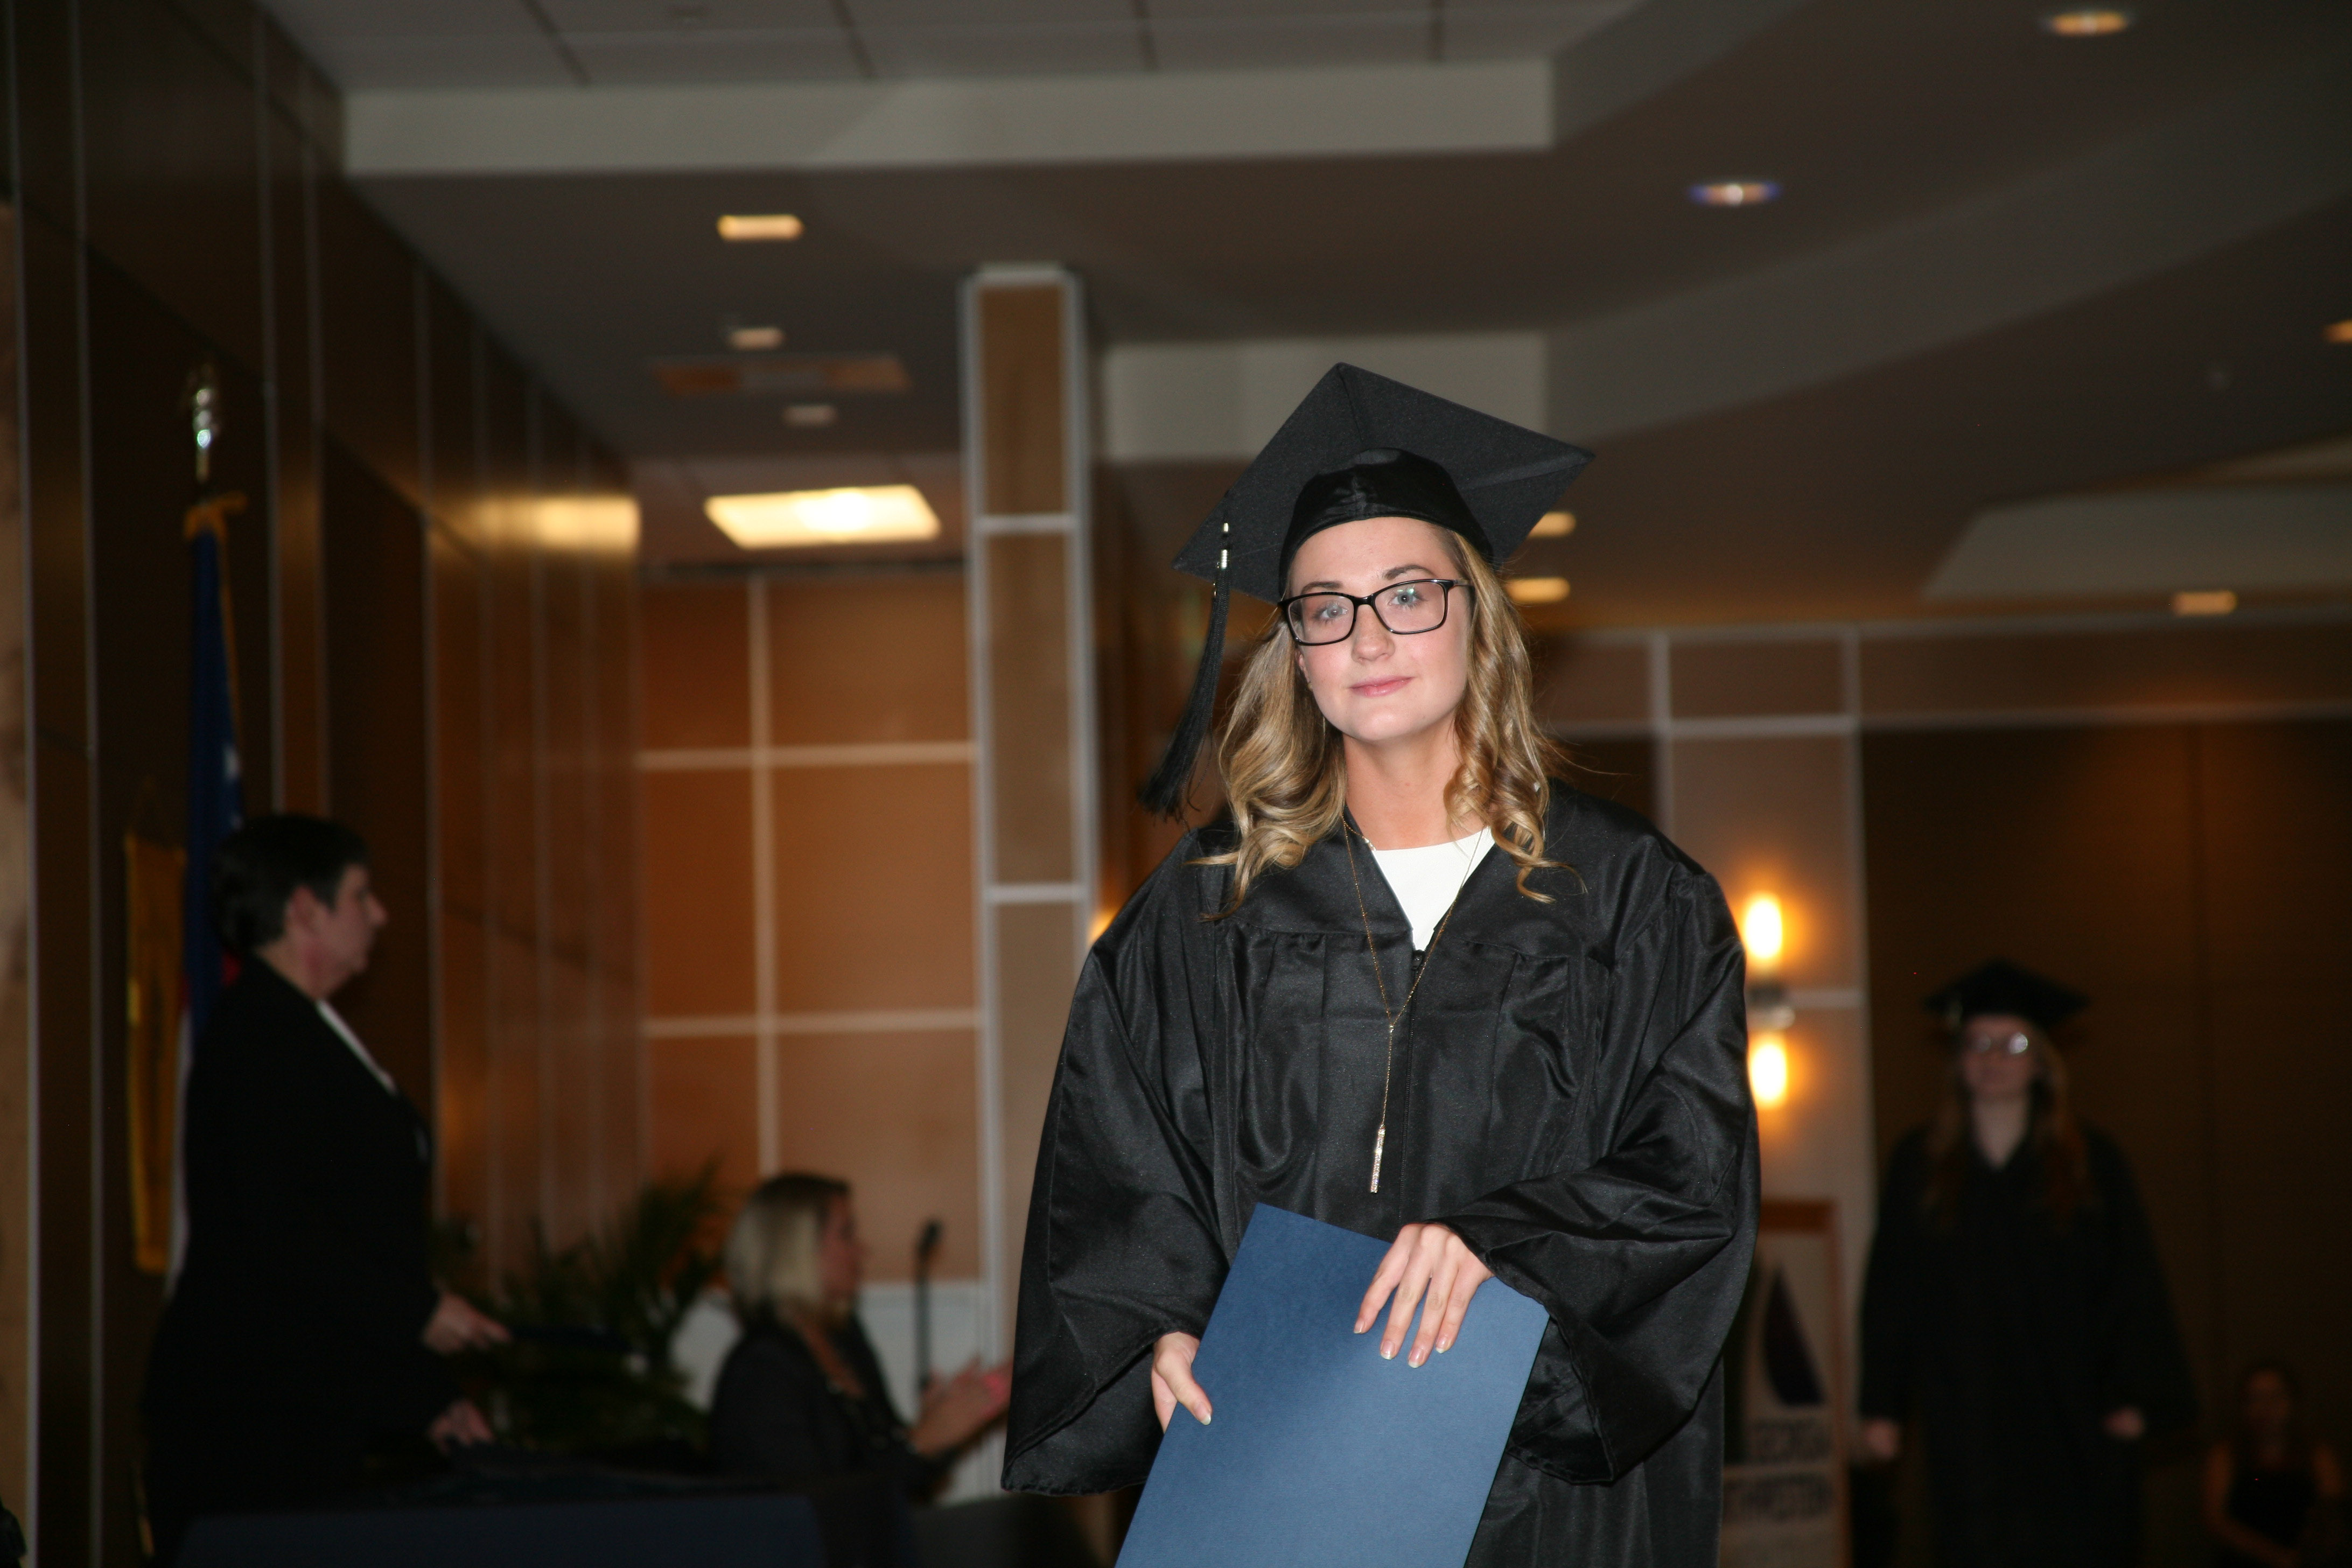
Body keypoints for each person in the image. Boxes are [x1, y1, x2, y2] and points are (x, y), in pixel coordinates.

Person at [1003, 365, 1760, 1565]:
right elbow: (1119, 1169)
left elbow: (1692, 1184)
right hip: (1281, 1464)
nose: (1368, 636)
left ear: (1478, 613)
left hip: (1538, 1479)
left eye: (1408, 593)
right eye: (1325, 606)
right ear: (1293, 649)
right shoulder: (1205, 917)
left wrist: (1500, 1244)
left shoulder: (1634, 903)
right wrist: (1160, 1333)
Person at [142, 815, 506, 1562]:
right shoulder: (259, 1040)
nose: (382, 914)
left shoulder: (303, 1028)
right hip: (249, 1419)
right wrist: (418, 1314)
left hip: (300, 1405)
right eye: (362, 896)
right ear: (304, 909)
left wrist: (424, 1393)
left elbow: (347, 1244)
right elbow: (282, 1235)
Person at [1858, 958, 2199, 1568]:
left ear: (2042, 1060)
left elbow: (2133, 1281)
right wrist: (1882, 1403)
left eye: (2012, 1043)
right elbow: (1891, 1291)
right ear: (1959, 1060)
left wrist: (2136, 1394)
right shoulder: (1921, 1164)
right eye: (1977, 1043)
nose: (1993, 1057)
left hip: (2071, 1415)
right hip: (1968, 1416)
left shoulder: (2089, 1163)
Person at [710, 1173, 1009, 1497]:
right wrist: (923, 1443)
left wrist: (940, 1428)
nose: (862, 1251)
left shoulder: (844, 1338)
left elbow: (896, 1481)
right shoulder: (762, 1369)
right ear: (796, 1248)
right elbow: (809, 1510)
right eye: (847, 1234)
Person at [2205, 1361, 2343, 1568]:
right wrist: (2276, 1557)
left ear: (2293, 1402)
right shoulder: (2227, 1455)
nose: (2265, 1408)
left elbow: (2335, 1514)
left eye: (2275, 1397)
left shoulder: (2316, 1454)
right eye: (2254, 1399)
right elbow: (2216, 1519)